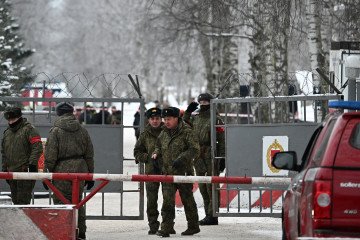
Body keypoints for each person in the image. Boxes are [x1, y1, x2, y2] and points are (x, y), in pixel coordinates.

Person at [44, 102, 94, 240]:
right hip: (80, 169)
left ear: (58, 113)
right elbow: (89, 153)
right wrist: (90, 174)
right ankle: (81, 232)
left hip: (61, 171)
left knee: (61, 203)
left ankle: (64, 233)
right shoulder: (82, 130)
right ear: (72, 113)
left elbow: (50, 155)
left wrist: (46, 174)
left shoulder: (55, 131)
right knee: (78, 202)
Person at [152, 106, 200, 237]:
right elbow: (158, 145)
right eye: (165, 119)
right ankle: (166, 228)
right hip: (167, 173)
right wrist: (156, 153)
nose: (166, 122)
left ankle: (193, 226)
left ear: (176, 119)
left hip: (184, 173)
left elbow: (195, 149)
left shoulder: (186, 131)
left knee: (187, 200)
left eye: (169, 119)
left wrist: (182, 159)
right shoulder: (163, 133)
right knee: (167, 202)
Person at [183, 93, 226, 226]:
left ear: (211, 103)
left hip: (211, 155)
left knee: (211, 186)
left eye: (206, 102)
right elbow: (185, 124)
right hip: (198, 156)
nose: (203, 104)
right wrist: (188, 111)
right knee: (202, 185)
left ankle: (213, 215)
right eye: (201, 102)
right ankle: (208, 214)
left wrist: (222, 157)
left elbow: (222, 140)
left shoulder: (216, 119)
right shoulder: (196, 117)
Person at [1, 106, 43, 204]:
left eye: (13, 119)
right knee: (15, 201)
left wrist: (32, 164)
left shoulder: (29, 129)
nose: (11, 122)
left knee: (23, 202)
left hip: (25, 171)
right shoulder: (7, 132)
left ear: (19, 117)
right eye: (9, 120)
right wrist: (5, 169)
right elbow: (4, 152)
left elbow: (37, 147)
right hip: (11, 172)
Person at [133, 107, 164, 235]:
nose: (155, 121)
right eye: (152, 119)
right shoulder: (145, 134)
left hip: (166, 170)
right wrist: (147, 158)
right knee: (151, 200)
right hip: (151, 171)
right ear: (149, 120)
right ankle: (153, 225)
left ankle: (167, 225)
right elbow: (137, 151)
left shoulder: (167, 131)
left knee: (168, 200)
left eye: (157, 118)